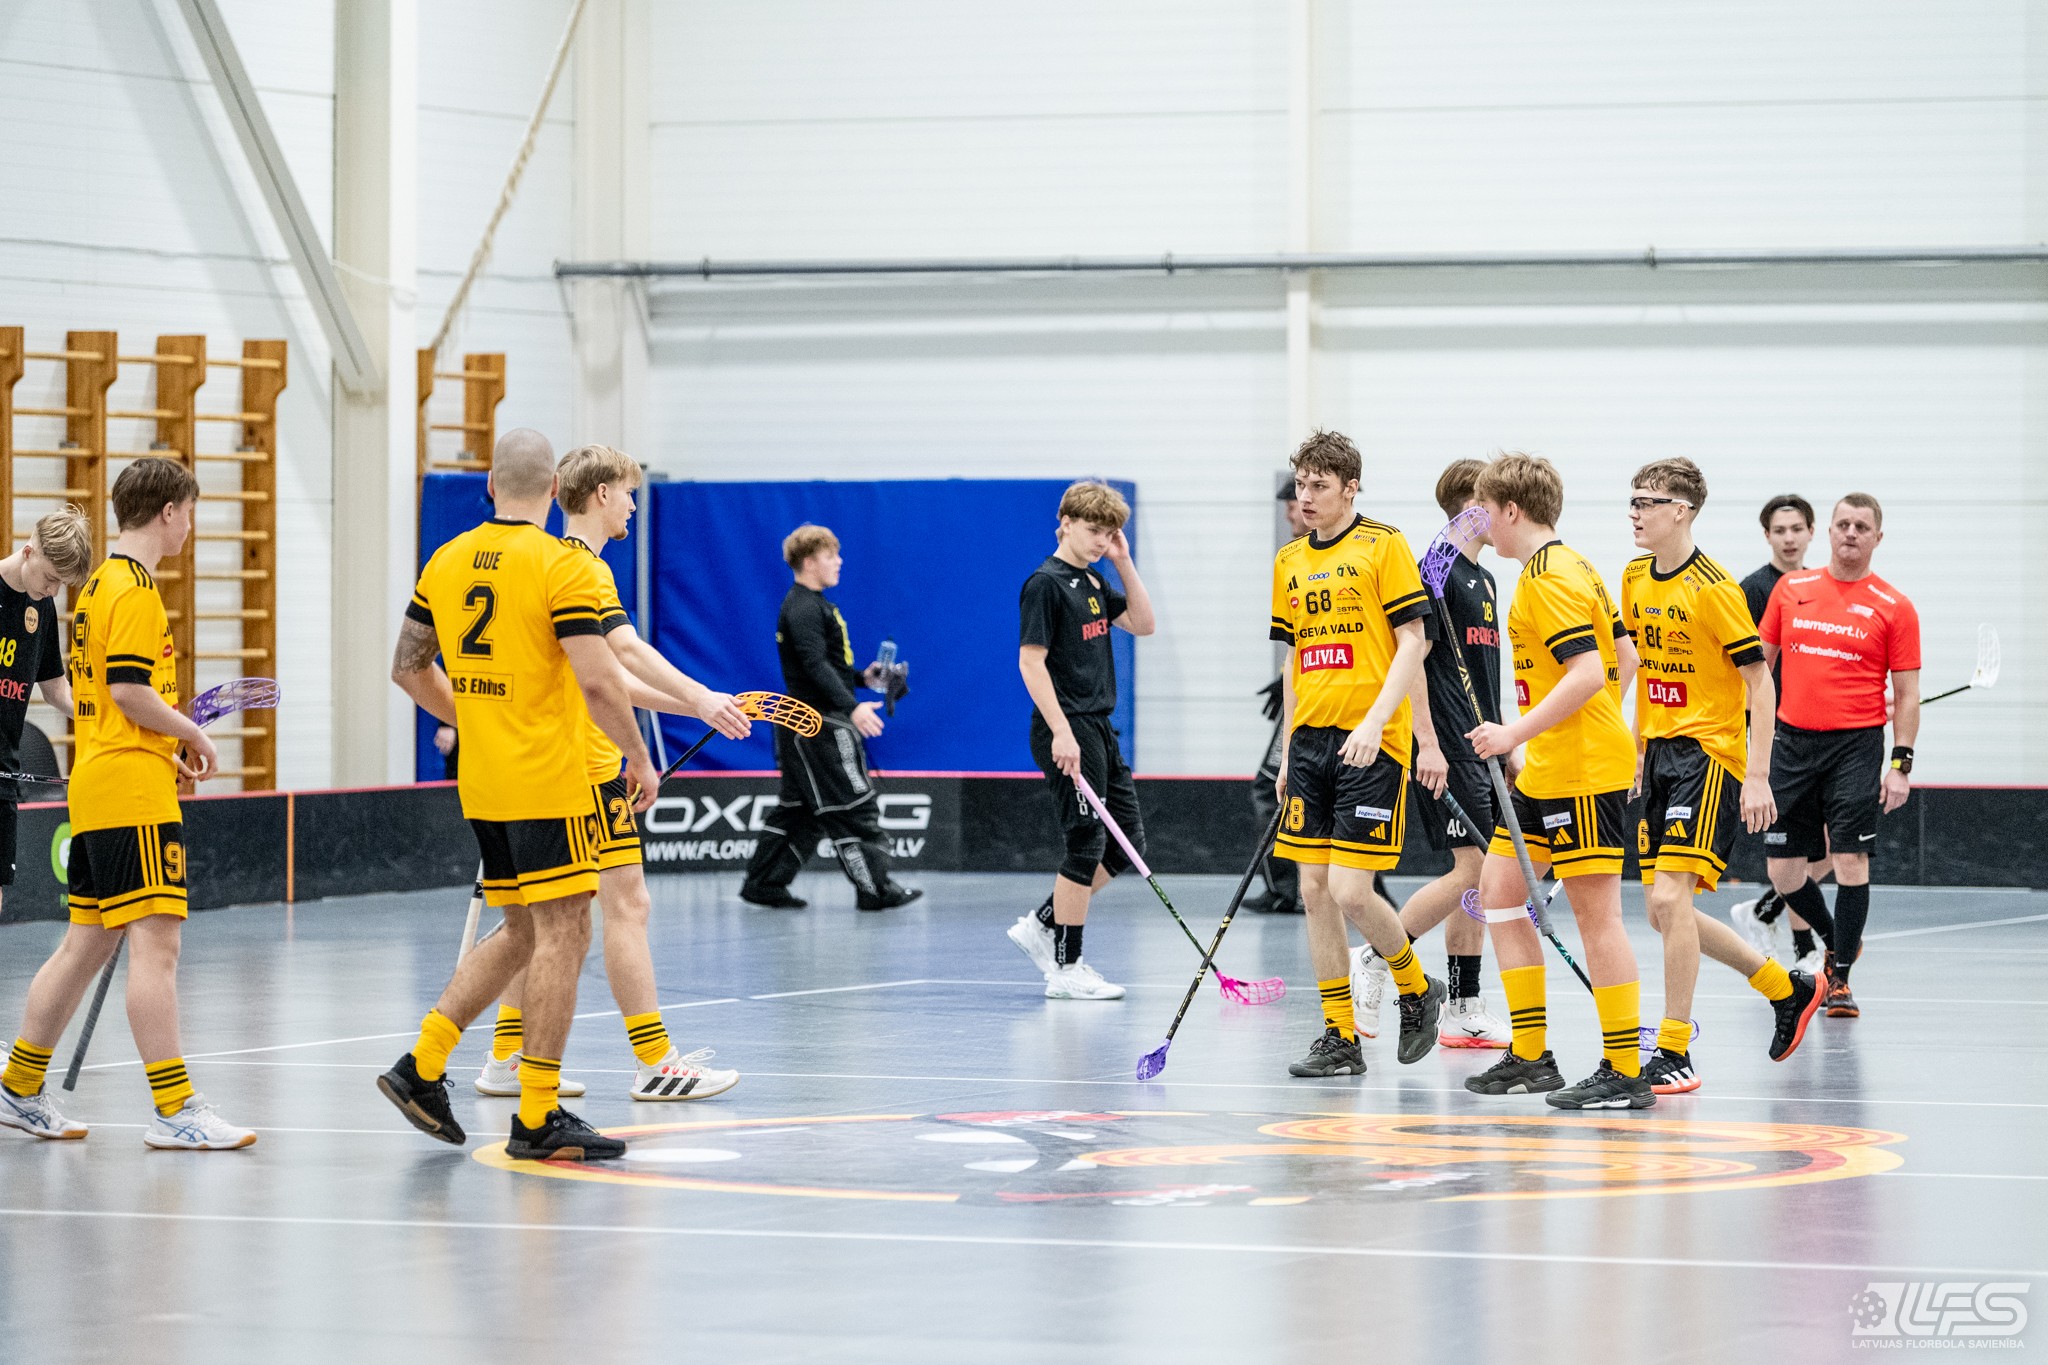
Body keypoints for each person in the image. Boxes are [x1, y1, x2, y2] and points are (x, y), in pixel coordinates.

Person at [377, 429, 660, 1161]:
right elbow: (600, 681)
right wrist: (638, 757)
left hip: (484, 782)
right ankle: (536, 1114)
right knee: (566, 931)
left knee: (523, 932)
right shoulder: (560, 564)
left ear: (491, 487)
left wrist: (474, 718)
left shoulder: (445, 559)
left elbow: (408, 668)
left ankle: (421, 1064)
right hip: (548, 779)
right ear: (553, 489)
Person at [476, 444, 750, 1103]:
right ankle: (655, 1061)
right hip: (584, 767)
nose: (632, 505)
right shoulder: (582, 568)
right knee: (625, 905)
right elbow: (624, 653)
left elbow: (607, 679)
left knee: (540, 918)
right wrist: (701, 697)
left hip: (550, 766)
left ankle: (506, 1057)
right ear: (600, 494)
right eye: (628, 492)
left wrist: (692, 706)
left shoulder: (556, 562)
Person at [0, 463, 247, 1147]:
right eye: (189, 512)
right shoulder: (134, 589)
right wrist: (192, 732)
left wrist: (165, 742)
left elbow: (108, 702)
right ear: (168, 512)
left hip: (101, 782)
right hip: (133, 795)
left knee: (86, 943)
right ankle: (175, 1109)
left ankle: (19, 1084)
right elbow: (129, 691)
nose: (190, 526)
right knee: (158, 945)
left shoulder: (99, 585)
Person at [1620, 459, 1825, 1094]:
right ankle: (1784, 987)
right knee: (1665, 913)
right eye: (1632, 500)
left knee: (1669, 901)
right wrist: (1635, 748)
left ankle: (1674, 1049)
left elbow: (1760, 685)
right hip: (1659, 756)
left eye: (1646, 502)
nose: (1634, 512)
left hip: (1708, 758)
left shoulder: (1714, 589)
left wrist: (1757, 776)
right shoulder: (1633, 577)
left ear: (1680, 511)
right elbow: (1645, 669)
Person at [1463, 452, 1650, 1109]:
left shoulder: (1550, 577)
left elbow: (1590, 672)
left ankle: (1624, 1069)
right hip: (1549, 768)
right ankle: (1531, 1054)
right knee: (1500, 894)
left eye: (1486, 511)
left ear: (1512, 510)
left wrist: (1514, 733)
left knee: (1597, 918)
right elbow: (1626, 657)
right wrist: (1566, 731)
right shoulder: (1569, 567)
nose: (1482, 524)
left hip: (1580, 773)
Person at [1268, 430, 1445, 1078]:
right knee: (1313, 891)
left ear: (1351, 487)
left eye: (1319, 485)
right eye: (1301, 485)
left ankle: (1416, 988)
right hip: (1311, 742)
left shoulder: (1383, 544)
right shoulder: (1290, 560)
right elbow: (1294, 658)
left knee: (1349, 890)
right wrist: (1289, 745)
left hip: (1370, 741)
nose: (1306, 496)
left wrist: (1376, 723)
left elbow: (1412, 641)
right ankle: (1340, 1036)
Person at [1349, 459, 1510, 1048]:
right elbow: (1412, 655)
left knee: (1479, 878)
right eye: (1494, 499)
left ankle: (1463, 1006)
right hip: (1446, 745)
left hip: (1482, 745)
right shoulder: (1433, 568)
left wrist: (1505, 740)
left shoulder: (1484, 578)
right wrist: (1429, 742)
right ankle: (1376, 953)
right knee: (1476, 870)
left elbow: (1483, 671)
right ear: (1470, 505)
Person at [1758, 493, 1918, 1019]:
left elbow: (1908, 694)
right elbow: (1758, 671)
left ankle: (1841, 979)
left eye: (1862, 526)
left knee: (1850, 859)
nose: (1851, 532)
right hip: (1791, 744)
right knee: (1783, 872)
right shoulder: (1791, 590)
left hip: (1856, 746)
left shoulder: (1894, 606)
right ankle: (1837, 941)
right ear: (1827, 532)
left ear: (1877, 537)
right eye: (1843, 524)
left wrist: (1900, 765)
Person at [1009, 481, 1156, 999]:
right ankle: (1066, 967)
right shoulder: (1044, 584)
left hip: (1099, 729)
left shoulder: (1093, 578)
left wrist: (1123, 561)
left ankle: (1043, 923)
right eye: (1094, 530)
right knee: (1086, 841)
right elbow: (1031, 663)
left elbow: (1143, 623)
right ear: (1065, 523)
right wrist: (1061, 731)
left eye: (1109, 533)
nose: (1101, 541)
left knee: (1127, 841)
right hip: (1067, 728)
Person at [739, 525, 921, 912]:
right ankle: (876, 890)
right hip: (818, 724)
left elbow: (822, 667)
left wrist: (862, 679)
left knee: (800, 809)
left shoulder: (811, 605)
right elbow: (813, 665)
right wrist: (852, 706)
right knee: (853, 805)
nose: (839, 562)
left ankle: (763, 883)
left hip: (803, 724)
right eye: (830, 556)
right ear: (809, 562)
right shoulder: (804, 607)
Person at [1729, 494, 1828, 971]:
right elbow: (1741, 672)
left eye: (1797, 529)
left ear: (1811, 533)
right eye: (1780, 530)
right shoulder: (1752, 590)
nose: (1789, 538)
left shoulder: (1821, 588)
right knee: (1795, 849)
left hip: (1822, 735)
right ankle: (1805, 948)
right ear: (1767, 535)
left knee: (1830, 846)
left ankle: (1766, 911)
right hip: (1777, 737)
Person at [0, 508, 92, 909]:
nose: (54, 591)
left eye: (61, 584)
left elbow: (56, 691)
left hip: (4, 770)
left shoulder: (42, 608)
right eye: (51, 578)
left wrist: (100, 716)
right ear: (28, 552)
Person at [1247, 477, 1313, 914]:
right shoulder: (1293, 557)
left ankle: (1287, 888)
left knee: (1270, 786)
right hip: (1304, 687)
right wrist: (1284, 678)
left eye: (1292, 503)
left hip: (1315, 699)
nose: (1291, 512)